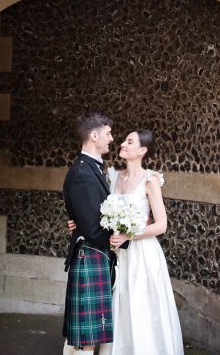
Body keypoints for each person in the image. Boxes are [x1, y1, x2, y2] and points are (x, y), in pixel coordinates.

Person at [71, 130, 185, 355]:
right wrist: (78, 224)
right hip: (115, 253)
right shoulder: (112, 176)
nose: (122, 143)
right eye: (123, 140)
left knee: (141, 307)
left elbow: (161, 225)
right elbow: (97, 213)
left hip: (142, 255)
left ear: (142, 151)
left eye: (129, 141)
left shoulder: (150, 180)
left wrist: (128, 235)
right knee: (116, 306)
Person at [62, 112, 120, 355]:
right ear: (93, 136)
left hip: (96, 254)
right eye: (107, 134)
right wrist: (121, 238)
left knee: (91, 334)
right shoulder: (83, 174)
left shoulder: (92, 168)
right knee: (86, 339)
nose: (111, 139)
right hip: (91, 254)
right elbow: (91, 227)